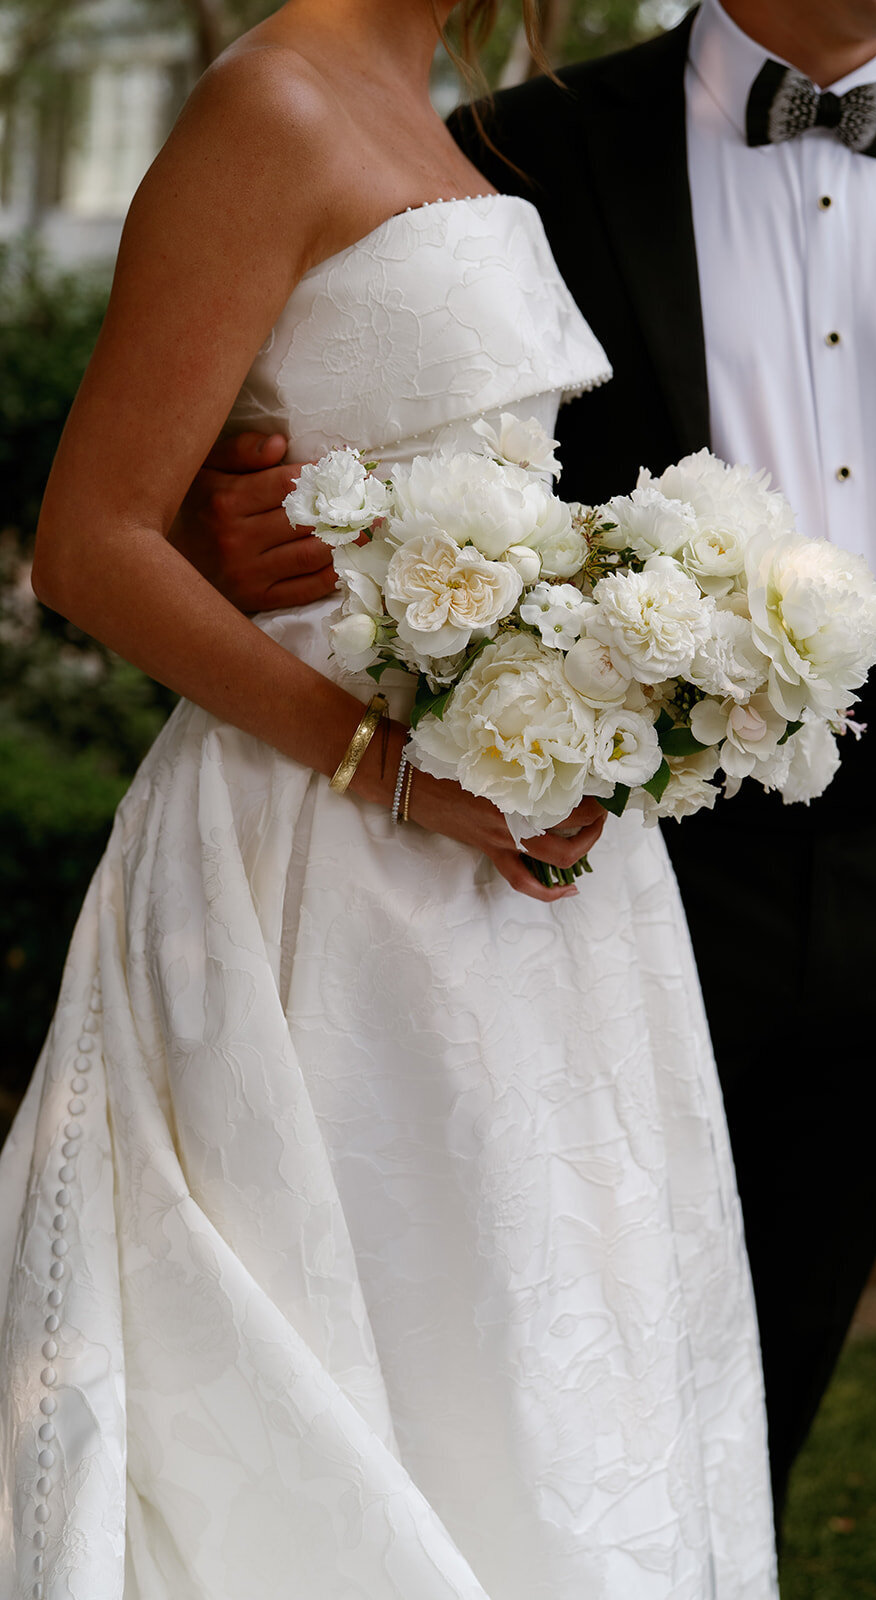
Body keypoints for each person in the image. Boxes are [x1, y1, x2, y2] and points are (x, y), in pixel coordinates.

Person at [184, 0, 876, 1521]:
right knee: (557, 1325)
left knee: (762, 1361)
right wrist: (236, 513)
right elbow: (377, 407)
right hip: (595, 844)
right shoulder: (522, 143)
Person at [0, 0, 780, 1594]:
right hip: (329, 846)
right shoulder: (272, 102)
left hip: (525, 852)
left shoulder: (436, 101)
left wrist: (612, 677)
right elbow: (90, 543)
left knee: (528, 1316)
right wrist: (400, 773)